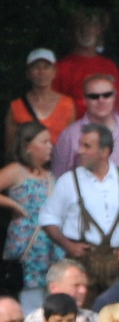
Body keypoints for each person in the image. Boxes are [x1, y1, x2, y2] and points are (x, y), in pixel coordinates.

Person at [39, 124, 119, 290]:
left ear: (104, 152)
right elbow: (48, 219)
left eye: (87, 146)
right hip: (83, 264)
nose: (80, 151)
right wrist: (67, 245)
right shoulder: (67, 181)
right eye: (81, 145)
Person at [2, 122, 63, 309]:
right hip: (27, 246)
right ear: (27, 146)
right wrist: (12, 204)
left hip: (51, 247)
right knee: (29, 300)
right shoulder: (16, 170)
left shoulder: (50, 174)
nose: (50, 146)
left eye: (50, 142)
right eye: (44, 142)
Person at [51, 74, 119, 179]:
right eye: (94, 96)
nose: (101, 100)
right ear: (84, 100)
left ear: (115, 97)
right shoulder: (69, 135)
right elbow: (59, 178)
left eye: (107, 95)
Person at [53, 10, 119, 118]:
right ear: (72, 31)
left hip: (109, 132)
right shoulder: (60, 68)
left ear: (99, 29)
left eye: (91, 24)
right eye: (79, 24)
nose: (85, 29)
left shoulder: (109, 66)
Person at [7, 49, 75, 149]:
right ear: (28, 73)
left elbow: (71, 145)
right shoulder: (16, 107)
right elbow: (10, 149)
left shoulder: (68, 104)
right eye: (35, 67)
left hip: (58, 163)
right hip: (27, 163)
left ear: (55, 71)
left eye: (46, 67)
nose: (41, 72)